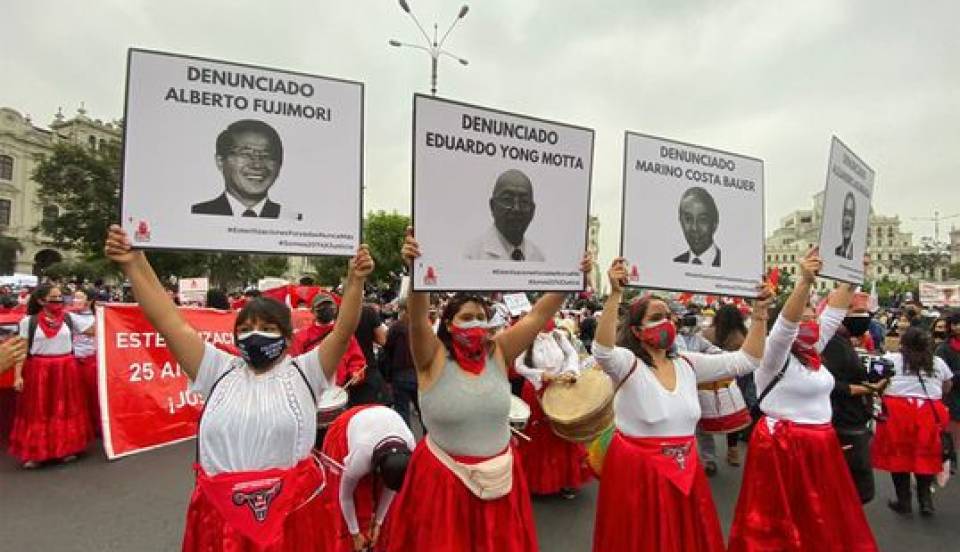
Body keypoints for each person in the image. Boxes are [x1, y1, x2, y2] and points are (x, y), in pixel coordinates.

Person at [104, 224, 371, 550]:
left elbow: (343, 331)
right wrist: (134, 262)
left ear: (287, 338)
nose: (253, 334)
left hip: (291, 518)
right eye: (245, 328)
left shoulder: (305, 372)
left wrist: (355, 281)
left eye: (266, 328)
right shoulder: (216, 369)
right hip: (221, 518)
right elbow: (167, 320)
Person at [387, 228, 589, 551]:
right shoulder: (432, 357)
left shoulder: (498, 351)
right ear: (449, 324)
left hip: (502, 484)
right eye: (466, 317)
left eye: (481, 316)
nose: (475, 322)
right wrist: (416, 271)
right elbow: (417, 321)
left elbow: (539, 314)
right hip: (444, 486)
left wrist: (571, 276)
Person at [591, 258, 772, 552]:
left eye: (669, 316)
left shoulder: (689, 364)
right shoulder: (628, 364)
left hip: (686, 472)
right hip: (638, 478)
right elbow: (602, 350)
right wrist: (614, 295)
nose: (667, 322)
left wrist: (760, 313)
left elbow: (747, 360)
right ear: (637, 331)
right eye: (655, 317)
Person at [728, 249, 878, 552]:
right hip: (783, 445)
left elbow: (835, 311)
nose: (811, 322)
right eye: (804, 319)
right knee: (779, 525)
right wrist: (804, 282)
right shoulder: (773, 353)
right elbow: (786, 324)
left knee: (820, 521)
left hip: (821, 445)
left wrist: (851, 276)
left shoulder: (814, 351)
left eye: (813, 317)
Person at [9, 285, 96, 468]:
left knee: (64, 410)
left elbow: (94, 330)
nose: (58, 301)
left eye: (60, 297)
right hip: (38, 370)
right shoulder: (28, 322)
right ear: (41, 301)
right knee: (38, 411)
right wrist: (18, 376)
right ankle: (35, 453)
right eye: (53, 297)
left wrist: (108, 313)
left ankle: (67, 448)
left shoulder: (69, 318)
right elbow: (21, 350)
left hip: (66, 369)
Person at [872, 326, 954, 516]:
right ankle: (925, 501)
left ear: (903, 343)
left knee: (898, 456)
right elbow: (947, 386)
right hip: (929, 411)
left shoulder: (892, 360)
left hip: (898, 411)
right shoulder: (937, 362)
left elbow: (875, 378)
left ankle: (904, 501)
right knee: (925, 455)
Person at [320, 405, 414, 552]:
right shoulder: (361, 456)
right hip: (351, 426)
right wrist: (355, 533)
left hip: (380, 421)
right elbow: (345, 497)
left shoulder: (410, 445)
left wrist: (378, 522)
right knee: (355, 502)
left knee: (390, 511)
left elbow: (391, 489)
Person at [514, 322, 591, 498]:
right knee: (538, 434)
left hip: (560, 388)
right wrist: (540, 374)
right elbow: (519, 365)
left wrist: (570, 371)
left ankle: (565, 480)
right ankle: (534, 481)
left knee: (562, 432)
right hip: (536, 389)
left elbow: (571, 354)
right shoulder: (526, 336)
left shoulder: (558, 335)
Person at [821, 291, 884, 504]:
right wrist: (865, 389)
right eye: (857, 311)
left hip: (851, 419)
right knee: (855, 490)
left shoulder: (843, 340)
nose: (864, 317)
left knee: (856, 490)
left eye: (866, 312)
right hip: (843, 422)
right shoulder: (832, 343)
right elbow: (831, 384)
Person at [191, 119, 299, 220]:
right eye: (245, 154)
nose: (257, 164)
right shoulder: (197, 213)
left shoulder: (292, 219)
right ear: (220, 161)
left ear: (279, 165)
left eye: (267, 154)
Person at [291, 292, 369, 409]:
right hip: (310, 393)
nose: (326, 310)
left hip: (338, 391)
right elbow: (295, 365)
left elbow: (356, 360)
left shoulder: (345, 335)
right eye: (321, 307)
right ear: (312, 311)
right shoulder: (302, 337)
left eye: (330, 306)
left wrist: (356, 372)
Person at [701, 303, 754, 468]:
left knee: (703, 419)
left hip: (708, 381)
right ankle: (733, 451)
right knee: (734, 416)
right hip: (736, 380)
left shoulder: (706, 333)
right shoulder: (743, 335)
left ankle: (709, 459)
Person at [464, 169, 545, 262]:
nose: (516, 208)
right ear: (492, 206)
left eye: (524, 201)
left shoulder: (539, 258)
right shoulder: (471, 255)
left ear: (532, 211)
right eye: (507, 199)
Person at [382, 305, 419, 427]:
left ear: (404, 311)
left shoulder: (396, 327)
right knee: (423, 411)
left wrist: (387, 377)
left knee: (402, 411)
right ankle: (427, 440)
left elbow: (387, 351)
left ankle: (407, 441)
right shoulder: (421, 327)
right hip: (417, 373)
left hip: (400, 374)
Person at [71, 287, 100, 435]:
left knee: (95, 395)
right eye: (74, 297)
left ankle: (98, 426)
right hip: (77, 360)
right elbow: (92, 331)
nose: (75, 300)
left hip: (95, 360)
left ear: (89, 301)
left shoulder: (98, 315)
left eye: (79, 297)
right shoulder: (70, 316)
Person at [673, 186, 721, 267]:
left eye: (702, 220)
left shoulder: (729, 262)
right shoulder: (676, 262)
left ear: (714, 224)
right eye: (688, 219)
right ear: (681, 221)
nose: (694, 228)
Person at [936, 312, 960, 464]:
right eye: (955, 324)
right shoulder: (943, 349)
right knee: (952, 434)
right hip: (952, 396)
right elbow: (941, 375)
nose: (958, 327)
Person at [835, 192, 857, 260]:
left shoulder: (857, 253)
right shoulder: (836, 251)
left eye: (850, 214)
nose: (847, 220)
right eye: (845, 214)